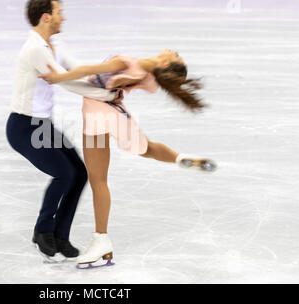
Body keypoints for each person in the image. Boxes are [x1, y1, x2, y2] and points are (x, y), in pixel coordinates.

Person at [39, 50, 217, 268]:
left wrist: (58, 78)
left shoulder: (128, 63)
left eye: (176, 56)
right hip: (116, 113)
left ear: (165, 61)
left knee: (98, 181)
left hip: (97, 114)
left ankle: (101, 241)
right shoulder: (149, 76)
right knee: (146, 148)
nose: (176, 52)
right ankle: (180, 158)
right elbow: (110, 82)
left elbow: (88, 71)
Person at [6, 0, 123, 262]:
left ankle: (61, 236)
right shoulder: (35, 49)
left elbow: (74, 70)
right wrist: (105, 96)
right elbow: (65, 82)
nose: (64, 17)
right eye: (60, 12)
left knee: (79, 173)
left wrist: (97, 79)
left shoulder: (54, 42)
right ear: (46, 16)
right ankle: (42, 230)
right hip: (24, 126)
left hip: (41, 125)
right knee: (63, 174)